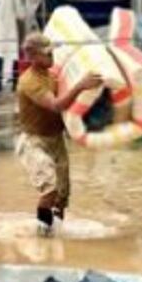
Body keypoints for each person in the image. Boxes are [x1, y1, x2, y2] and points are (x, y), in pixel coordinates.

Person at [15, 32, 104, 236]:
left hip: (56, 139)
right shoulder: (29, 82)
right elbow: (55, 105)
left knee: (62, 197)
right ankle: (42, 236)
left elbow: (68, 105)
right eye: (47, 53)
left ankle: (57, 237)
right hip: (33, 141)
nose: (52, 55)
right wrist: (81, 85)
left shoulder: (52, 75)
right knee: (50, 189)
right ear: (34, 57)